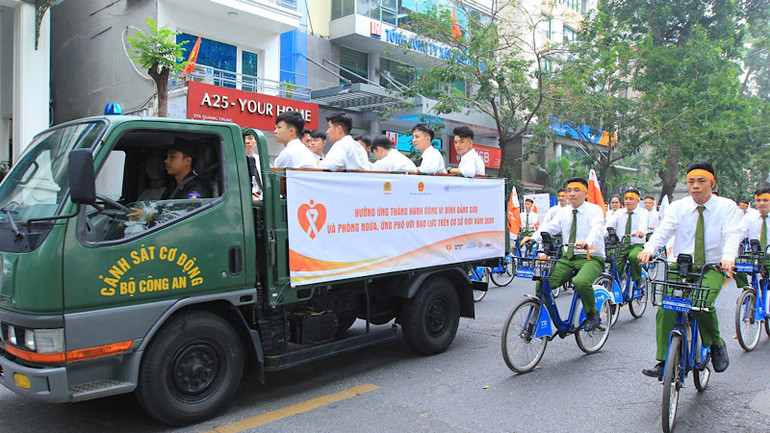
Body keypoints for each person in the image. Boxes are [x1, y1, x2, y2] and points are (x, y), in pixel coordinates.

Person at [638, 162, 740, 378]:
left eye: (701, 181)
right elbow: (663, 231)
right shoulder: (679, 206)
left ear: (712, 184)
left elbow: (732, 235)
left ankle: (715, 344)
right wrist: (648, 249)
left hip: (712, 266)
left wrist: (729, 257)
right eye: (691, 181)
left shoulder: (727, 207)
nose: (695, 186)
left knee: (700, 303)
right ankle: (664, 360)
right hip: (682, 264)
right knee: (666, 304)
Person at [522, 177, 606, 331]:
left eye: (576, 190)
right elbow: (550, 227)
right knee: (542, 283)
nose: (572, 194)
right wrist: (533, 238)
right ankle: (544, 318)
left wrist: (587, 241)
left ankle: (592, 314)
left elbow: (597, 229)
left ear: (586, 193)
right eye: (569, 191)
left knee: (581, 282)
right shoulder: (564, 212)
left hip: (590, 257)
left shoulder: (595, 210)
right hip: (568, 258)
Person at [127, 137, 211, 222]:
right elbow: (161, 209)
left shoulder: (196, 190)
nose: (166, 161)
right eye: (167, 157)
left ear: (188, 161)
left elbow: (184, 217)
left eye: (172, 157)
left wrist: (151, 216)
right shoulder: (173, 187)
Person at [606, 188, 648, 287]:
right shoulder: (619, 212)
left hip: (636, 244)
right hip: (621, 245)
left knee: (634, 257)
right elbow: (609, 224)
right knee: (614, 265)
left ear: (637, 201)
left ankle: (637, 279)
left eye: (631, 199)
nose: (628, 201)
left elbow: (643, 224)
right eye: (626, 199)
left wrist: (641, 232)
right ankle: (612, 286)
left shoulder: (643, 212)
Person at [734, 187, 770, 289]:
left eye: (765, 200)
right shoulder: (750, 217)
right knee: (734, 265)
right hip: (753, 255)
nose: (761, 203)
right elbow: (739, 234)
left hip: (769, 256)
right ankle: (746, 288)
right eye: (758, 200)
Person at [243, 128, 262, 199]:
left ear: (255, 142)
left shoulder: (261, 161)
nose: (247, 141)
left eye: (250, 138)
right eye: (244, 139)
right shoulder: (233, 161)